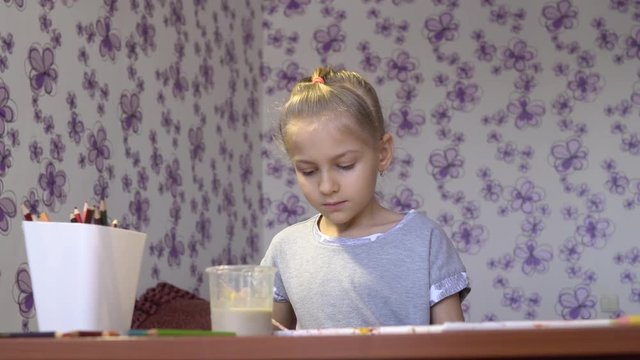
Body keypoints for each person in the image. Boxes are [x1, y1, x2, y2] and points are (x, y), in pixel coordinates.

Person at [260, 66, 470, 330]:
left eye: (345, 165)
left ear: (382, 153)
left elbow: (455, 349)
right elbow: (265, 346)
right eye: (308, 171)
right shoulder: (286, 249)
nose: (326, 186)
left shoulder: (424, 241)